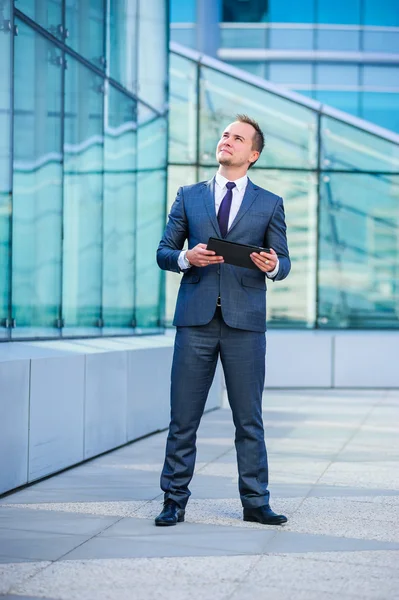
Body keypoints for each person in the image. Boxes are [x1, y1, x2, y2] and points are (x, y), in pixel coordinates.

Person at [155, 114, 290, 527]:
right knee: (184, 417)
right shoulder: (188, 196)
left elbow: (284, 262)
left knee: (249, 418)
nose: (226, 140)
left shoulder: (270, 203)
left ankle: (255, 502)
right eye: (225, 135)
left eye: (237, 138)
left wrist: (272, 265)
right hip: (195, 319)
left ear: (254, 154)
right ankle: (174, 500)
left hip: (245, 323)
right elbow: (164, 251)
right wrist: (185, 257)